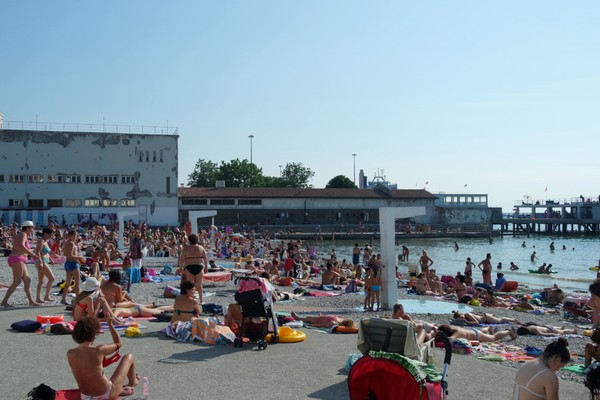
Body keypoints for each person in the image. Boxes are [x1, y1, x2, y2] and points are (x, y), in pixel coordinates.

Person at [67, 316, 139, 399]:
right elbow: (118, 343)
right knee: (128, 357)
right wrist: (110, 324)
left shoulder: (70, 353)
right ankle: (132, 382)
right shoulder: (99, 350)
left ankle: (120, 389)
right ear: (94, 333)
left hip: (85, 397)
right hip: (106, 394)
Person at [1, 221, 41, 307]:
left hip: (18, 259)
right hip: (17, 259)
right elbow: (22, 246)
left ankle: (31, 301)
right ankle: (4, 301)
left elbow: (20, 247)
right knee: (17, 281)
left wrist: (31, 251)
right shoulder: (23, 234)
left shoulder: (22, 235)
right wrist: (32, 255)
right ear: (27, 228)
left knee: (27, 280)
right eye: (32, 228)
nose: (32, 230)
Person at [179, 233, 209, 304]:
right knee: (199, 284)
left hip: (189, 266)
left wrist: (180, 267)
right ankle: (201, 300)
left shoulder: (186, 249)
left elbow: (182, 259)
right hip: (199, 266)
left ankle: (191, 299)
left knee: (191, 285)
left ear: (189, 240)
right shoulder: (201, 248)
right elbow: (205, 258)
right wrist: (206, 267)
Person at [34, 228, 56, 303]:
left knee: (41, 281)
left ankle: (38, 298)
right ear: (45, 233)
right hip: (41, 261)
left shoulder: (46, 241)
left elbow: (45, 253)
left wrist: (50, 259)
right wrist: (40, 262)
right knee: (52, 278)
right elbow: (37, 252)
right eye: (50, 234)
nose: (51, 235)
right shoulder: (41, 241)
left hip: (44, 260)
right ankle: (46, 296)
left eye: (52, 234)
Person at [61, 230, 82, 305]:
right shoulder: (71, 243)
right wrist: (79, 257)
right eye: (76, 236)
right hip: (72, 263)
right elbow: (70, 255)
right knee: (77, 282)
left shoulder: (66, 243)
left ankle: (63, 299)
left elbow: (66, 254)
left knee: (68, 282)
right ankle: (78, 299)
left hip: (68, 263)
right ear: (72, 236)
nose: (76, 238)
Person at [437, 324, 516, 342]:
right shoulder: (451, 327)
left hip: (477, 335)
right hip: (473, 332)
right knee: (483, 333)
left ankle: (508, 331)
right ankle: (488, 328)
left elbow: (450, 339)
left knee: (493, 338)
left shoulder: (456, 332)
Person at [290, 312, 355, 329]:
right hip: (321, 318)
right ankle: (298, 318)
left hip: (318, 320)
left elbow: (323, 326)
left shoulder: (334, 322)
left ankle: (298, 318)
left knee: (308, 319)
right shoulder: (340, 320)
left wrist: (312, 325)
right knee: (309, 318)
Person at [452, 311, 521, 325]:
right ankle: (492, 315)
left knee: (501, 320)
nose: (462, 318)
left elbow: (477, 322)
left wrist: (467, 322)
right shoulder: (465, 315)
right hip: (484, 317)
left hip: (486, 318)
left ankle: (513, 320)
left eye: (461, 316)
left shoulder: (467, 314)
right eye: (460, 318)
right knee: (499, 320)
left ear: (461, 314)